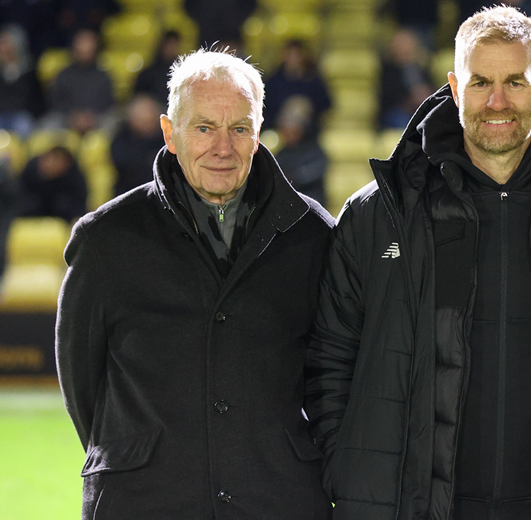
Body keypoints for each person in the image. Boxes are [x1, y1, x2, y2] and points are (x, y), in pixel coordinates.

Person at [306, 6, 531, 519]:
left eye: (516, 82)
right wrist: (353, 470)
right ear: (453, 87)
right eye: (480, 82)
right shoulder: (379, 213)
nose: (497, 101)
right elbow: (330, 360)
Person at [56, 49, 334, 519]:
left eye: (239, 128)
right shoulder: (105, 239)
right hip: (143, 502)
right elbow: (82, 382)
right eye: (204, 128)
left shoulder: (315, 234)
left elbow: (332, 379)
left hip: (278, 499)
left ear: (259, 132)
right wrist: (139, 459)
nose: (222, 148)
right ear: (170, 133)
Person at [45, 28, 115, 134]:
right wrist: (72, 117)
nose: (85, 47)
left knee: (111, 123)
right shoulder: (63, 75)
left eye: (88, 42)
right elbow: (56, 102)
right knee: (48, 125)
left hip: (96, 120)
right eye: (81, 42)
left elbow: (109, 103)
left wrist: (90, 117)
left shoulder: (104, 76)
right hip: (67, 120)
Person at [274, 95, 327, 206]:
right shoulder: (281, 152)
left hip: (311, 205)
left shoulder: (315, 152)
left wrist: (291, 178)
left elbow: (312, 175)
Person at [377, 28, 434, 130]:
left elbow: (433, 88)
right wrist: (409, 100)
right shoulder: (388, 70)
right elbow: (387, 95)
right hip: (398, 111)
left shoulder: (421, 68)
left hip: (422, 109)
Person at [110, 94, 167, 195]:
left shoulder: (166, 138)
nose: (147, 127)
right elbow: (123, 163)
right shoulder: (121, 138)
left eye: (150, 122)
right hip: (128, 190)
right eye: (143, 122)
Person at [20, 145, 87, 222]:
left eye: (56, 160)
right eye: (48, 159)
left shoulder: (74, 181)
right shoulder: (30, 174)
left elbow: (78, 210)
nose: (50, 163)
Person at [0, 24, 46, 137]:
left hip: (23, 116)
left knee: (23, 124)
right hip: (2, 115)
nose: (3, 49)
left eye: (6, 44)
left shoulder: (30, 71)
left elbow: (35, 101)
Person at [132, 29, 182, 104]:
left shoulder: (182, 73)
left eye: (175, 45)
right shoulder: (149, 73)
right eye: (169, 44)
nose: (172, 48)